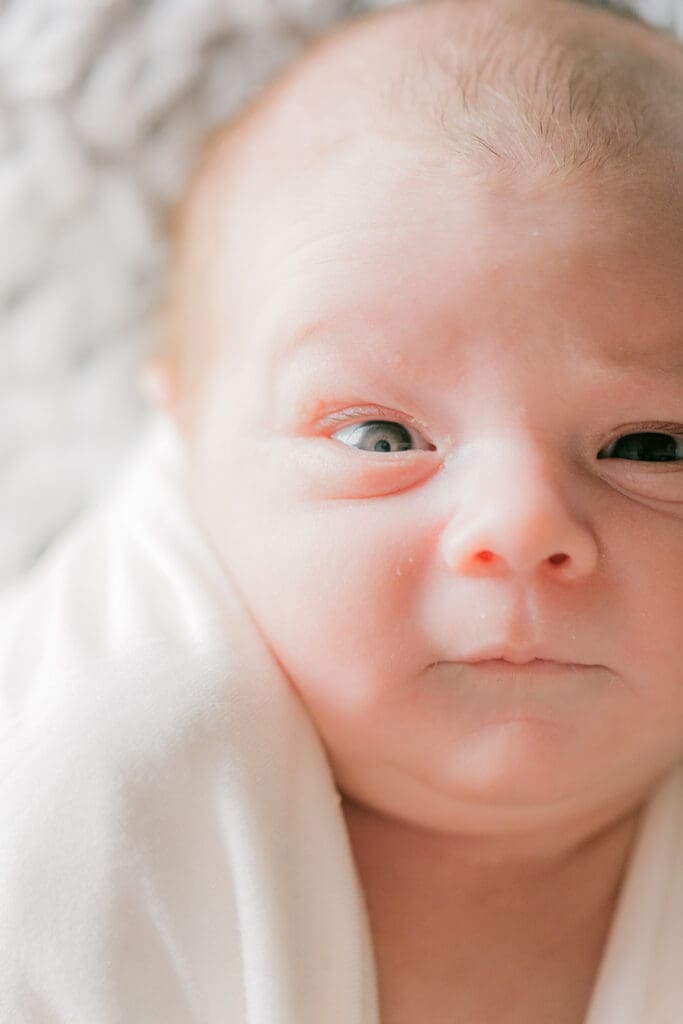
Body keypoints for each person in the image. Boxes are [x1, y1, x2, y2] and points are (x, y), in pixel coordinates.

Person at [4, 0, 683, 1021]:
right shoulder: (92, 808)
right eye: (379, 439)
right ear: (189, 446)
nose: (521, 526)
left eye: (649, 447)